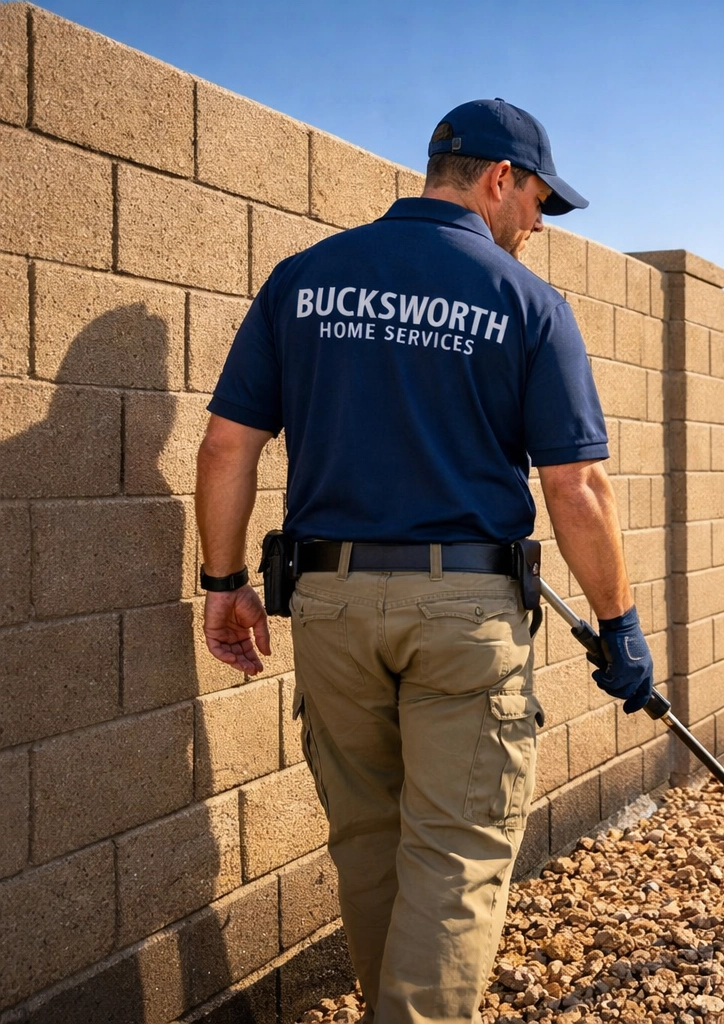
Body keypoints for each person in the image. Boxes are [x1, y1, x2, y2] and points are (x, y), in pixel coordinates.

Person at [193, 98, 655, 1024]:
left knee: (368, 842)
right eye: (535, 202)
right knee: (456, 855)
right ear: (497, 180)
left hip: (326, 603)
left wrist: (223, 583)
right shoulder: (527, 303)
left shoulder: (303, 279)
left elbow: (224, 449)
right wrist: (618, 626)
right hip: (464, 618)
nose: (534, 224)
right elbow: (578, 490)